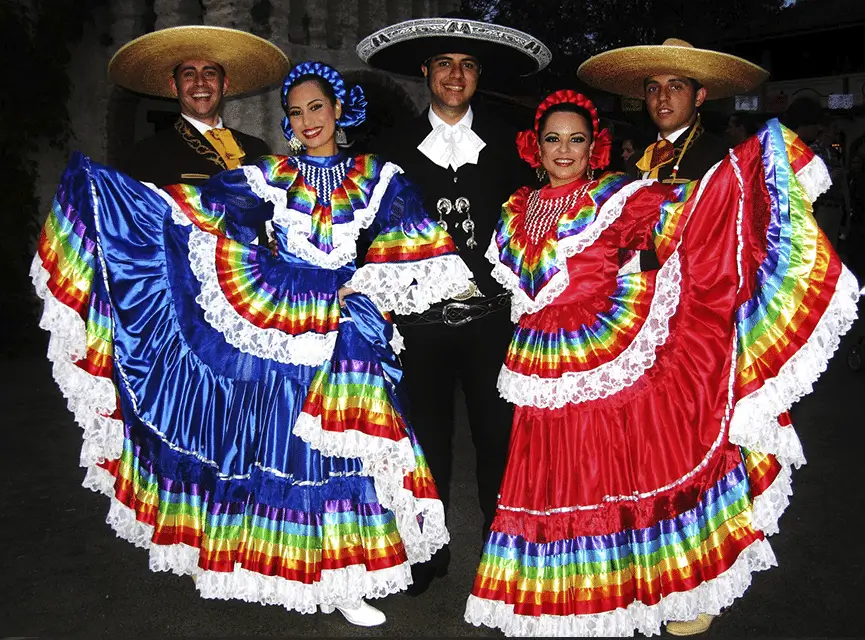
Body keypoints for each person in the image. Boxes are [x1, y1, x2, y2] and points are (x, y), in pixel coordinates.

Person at [30, 61, 480, 628]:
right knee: (280, 440)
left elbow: (412, 241)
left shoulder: (378, 174)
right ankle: (276, 564)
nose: (307, 120)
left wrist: (367, 286)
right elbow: (200, 208)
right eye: (295, 112)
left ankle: (345, 578)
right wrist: (118, 197)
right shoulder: (268, 173)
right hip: (281, 309)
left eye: (316, 107)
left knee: (342, 446)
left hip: (341, 315)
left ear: (339, 110)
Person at [462, 90, 860, 637]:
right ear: (536, 145)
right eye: (553, 138)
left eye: (576, 139)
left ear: (593, 147)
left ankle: (658, 587)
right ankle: (570, 597)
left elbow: (694, 219)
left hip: (605, 351)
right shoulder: (514, 208)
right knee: (552, 477)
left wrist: (748, 169)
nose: (563, 150)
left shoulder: (617, 195)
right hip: (539, 364)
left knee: (618, 473)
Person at [355, 15, 550, 595]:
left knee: (498, 439)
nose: (455, 75)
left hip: (493, 323)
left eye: (466, 65)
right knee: (426, 442)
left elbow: (539, 220)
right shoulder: (388, 151)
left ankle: (502, 553)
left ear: (477, 74)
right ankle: (426, 553)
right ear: (426, 72)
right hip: (419, 326)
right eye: (444, 64)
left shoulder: (516, 147)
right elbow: (369, 236)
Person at [579, 38, 768, 272]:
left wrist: (636, 263)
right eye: (653, 88)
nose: (662, 97)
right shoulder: (637, 160)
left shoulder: (721, 159)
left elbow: (718, 242)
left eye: (675, 86)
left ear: (699, 97)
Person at [108, 25, 288, 186]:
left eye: (209, 73)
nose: (200, 82)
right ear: (174, 87)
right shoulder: (147, 154)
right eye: (188, 74)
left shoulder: (257, 148)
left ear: (224, 85)